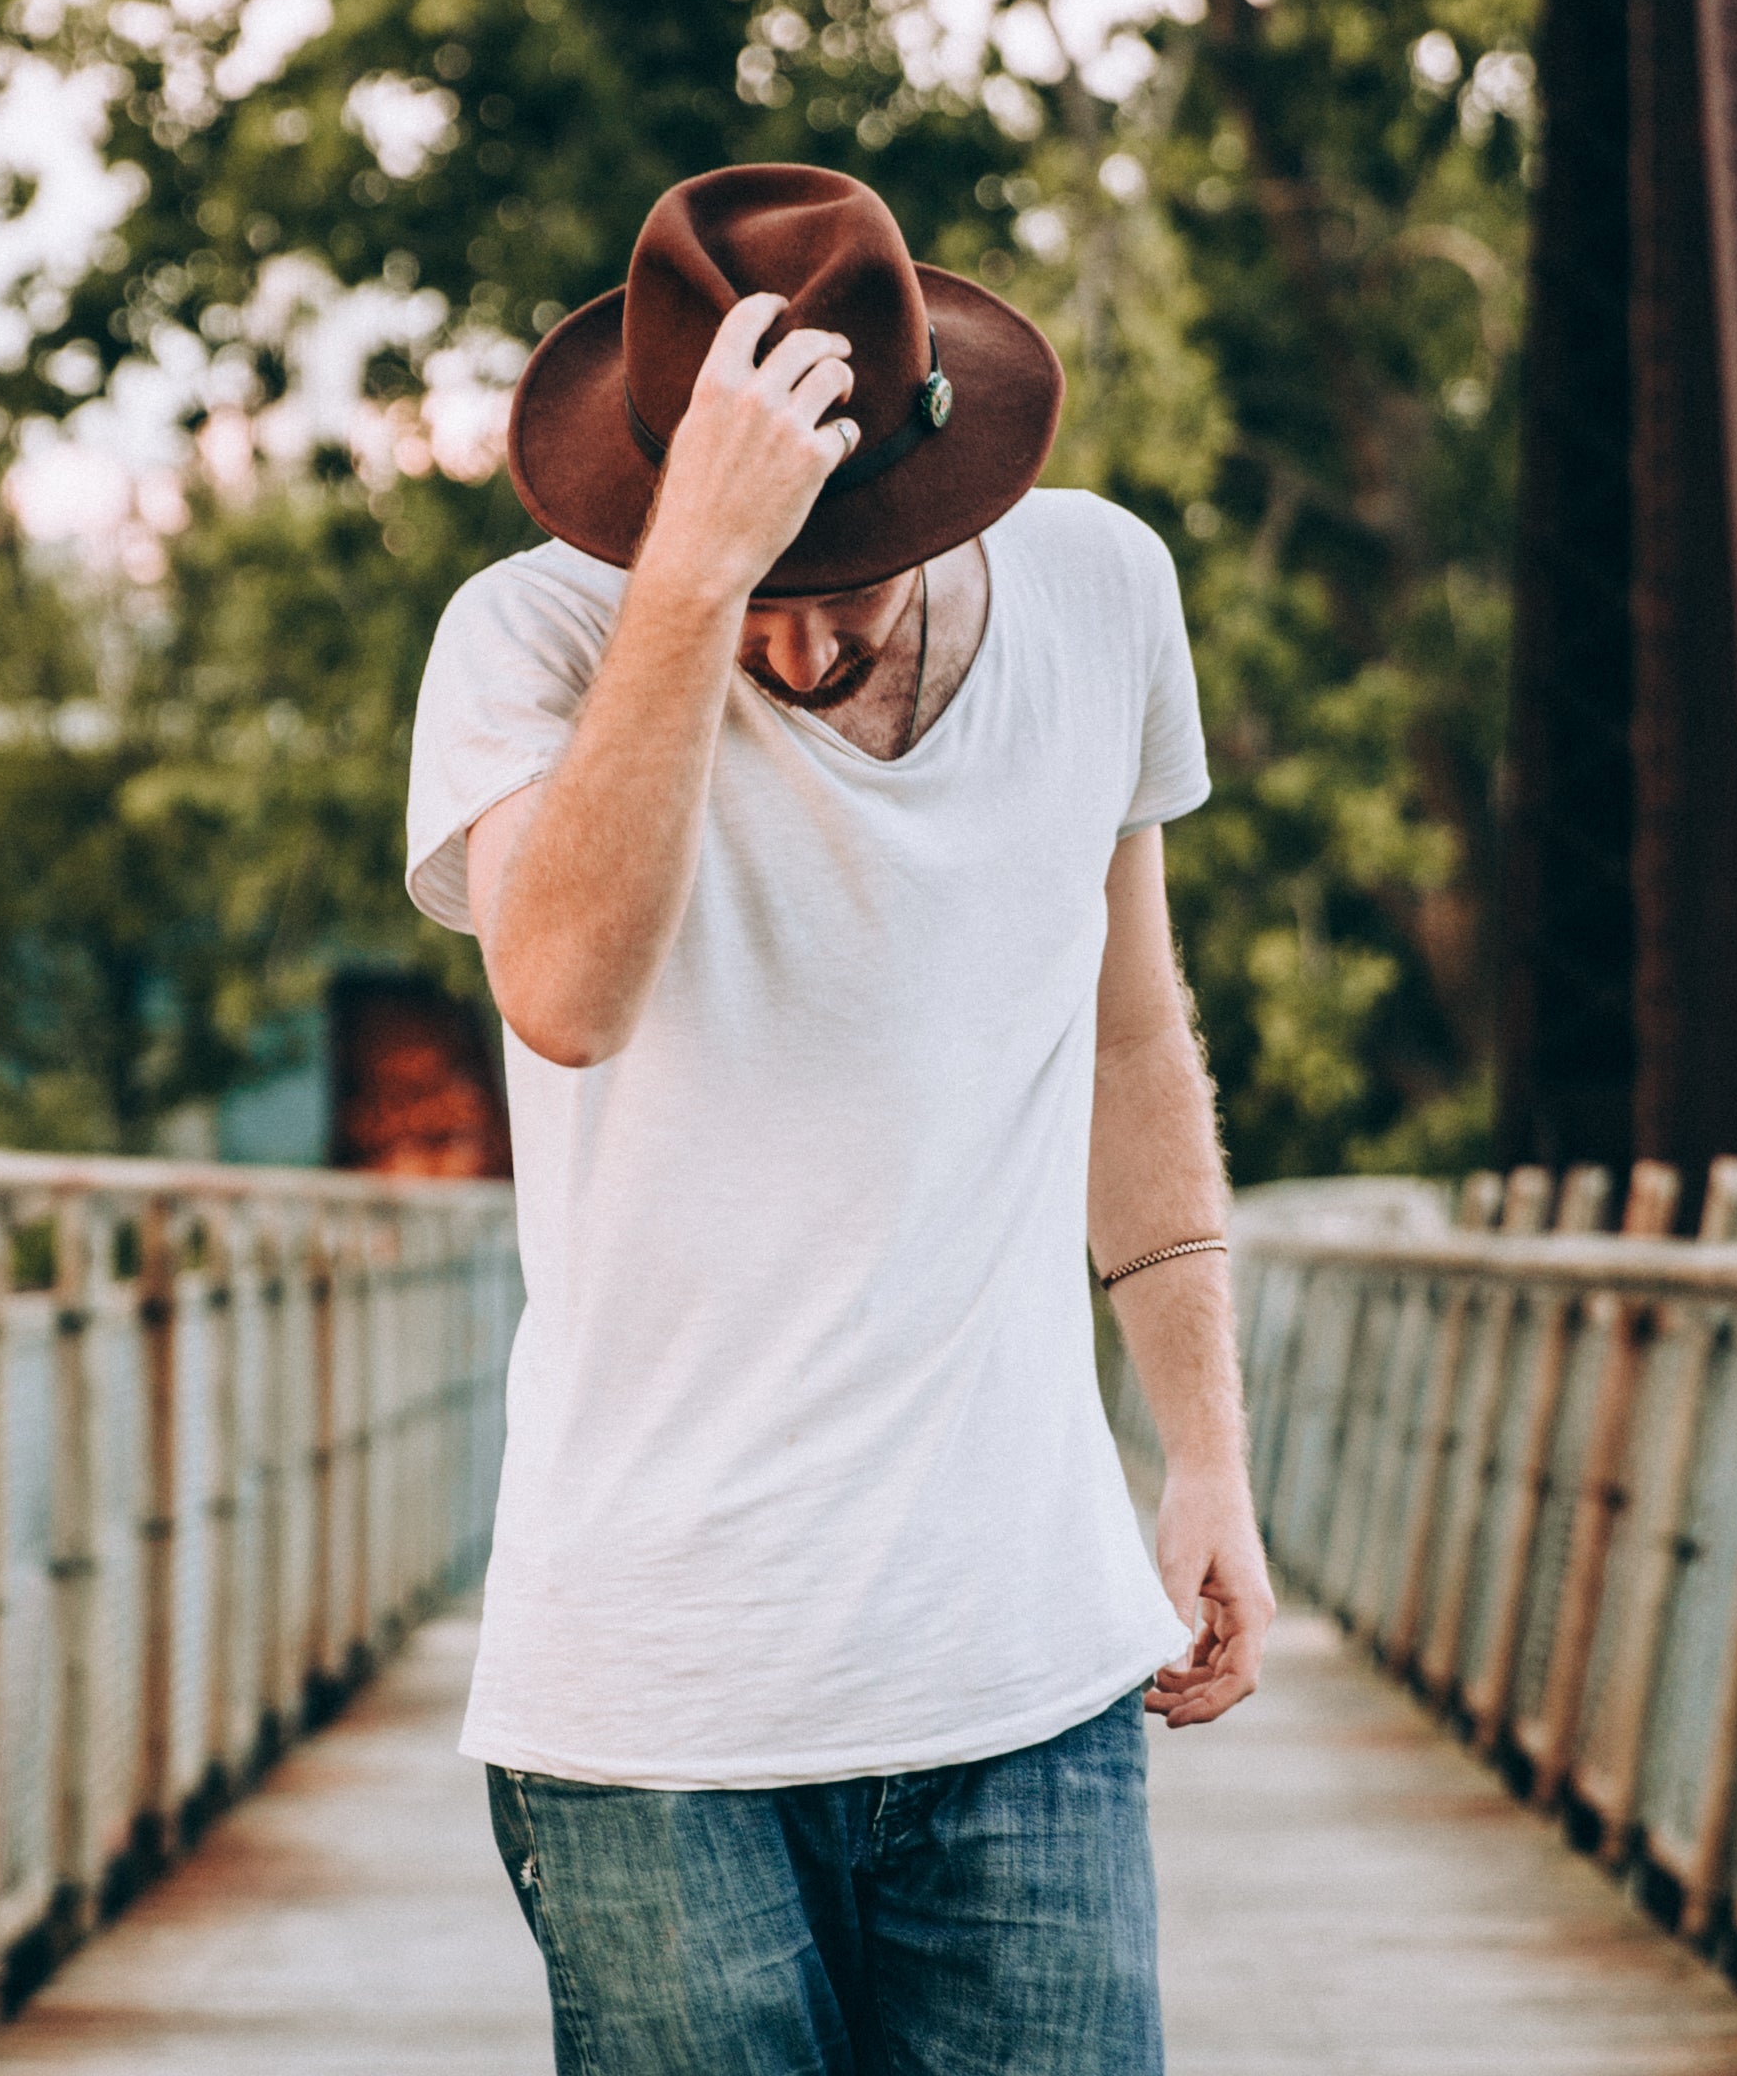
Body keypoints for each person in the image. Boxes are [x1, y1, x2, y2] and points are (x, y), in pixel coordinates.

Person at [403, 163, 1271, 2074]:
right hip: (652, 1712)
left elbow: (1132, 1041)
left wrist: (1204, 1451)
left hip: (1027, 1670)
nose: (795, 650)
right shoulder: (530, 642)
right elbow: (562, 994)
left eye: (835, 587)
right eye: (754, 602)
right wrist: (693, 577)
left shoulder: (1103, 589)